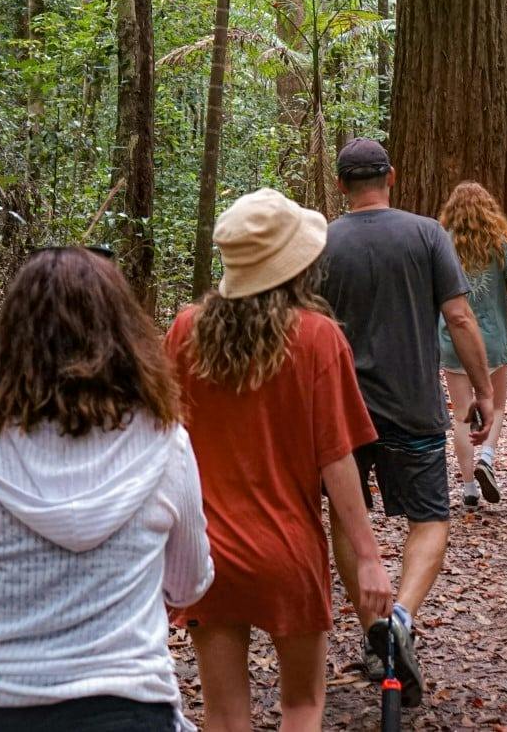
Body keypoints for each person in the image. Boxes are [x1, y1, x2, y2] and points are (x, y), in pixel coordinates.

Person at [0, 248, 212, 732]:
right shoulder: (165, 445)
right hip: (130, 708)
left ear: (13, 340)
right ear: (123, 339)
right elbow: (189, 582)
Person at [165, 188, 395, 732]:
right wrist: (367, 557)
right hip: (289, 551)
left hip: (208, 552)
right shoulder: (318, 338)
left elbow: (163, 443)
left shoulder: (184, 331)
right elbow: (338, 458)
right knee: (302, 705)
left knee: (223, 714)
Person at [320, 137, 494, 706]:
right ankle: (398, 618)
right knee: (429, 517)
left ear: (341, 183)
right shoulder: (426, 234)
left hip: (341, 411)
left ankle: (375, 628)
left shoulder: (322, 241)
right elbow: (460, 316)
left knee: (349, 518)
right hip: (413, 406)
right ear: (390, 177)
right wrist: (483, 390)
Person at [435, 181, 507, 509]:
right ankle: (486, 458)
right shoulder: (499, 241)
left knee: (461, 414)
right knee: (497, 405)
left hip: (452, 338)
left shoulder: (443, 242)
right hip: (491, 339)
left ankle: (469, 489)